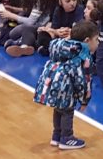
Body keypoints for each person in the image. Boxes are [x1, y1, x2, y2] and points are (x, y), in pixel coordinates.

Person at [32, 19, 98, 151]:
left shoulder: (62, 47)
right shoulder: (84, 56)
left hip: (52, 84)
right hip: (66, 87)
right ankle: (67, 137)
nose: (98, 43)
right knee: (67, 111)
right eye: (96, 39)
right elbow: (84, 79)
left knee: (59, 109)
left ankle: (56, 135)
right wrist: (85, 99)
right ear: (87, 40)